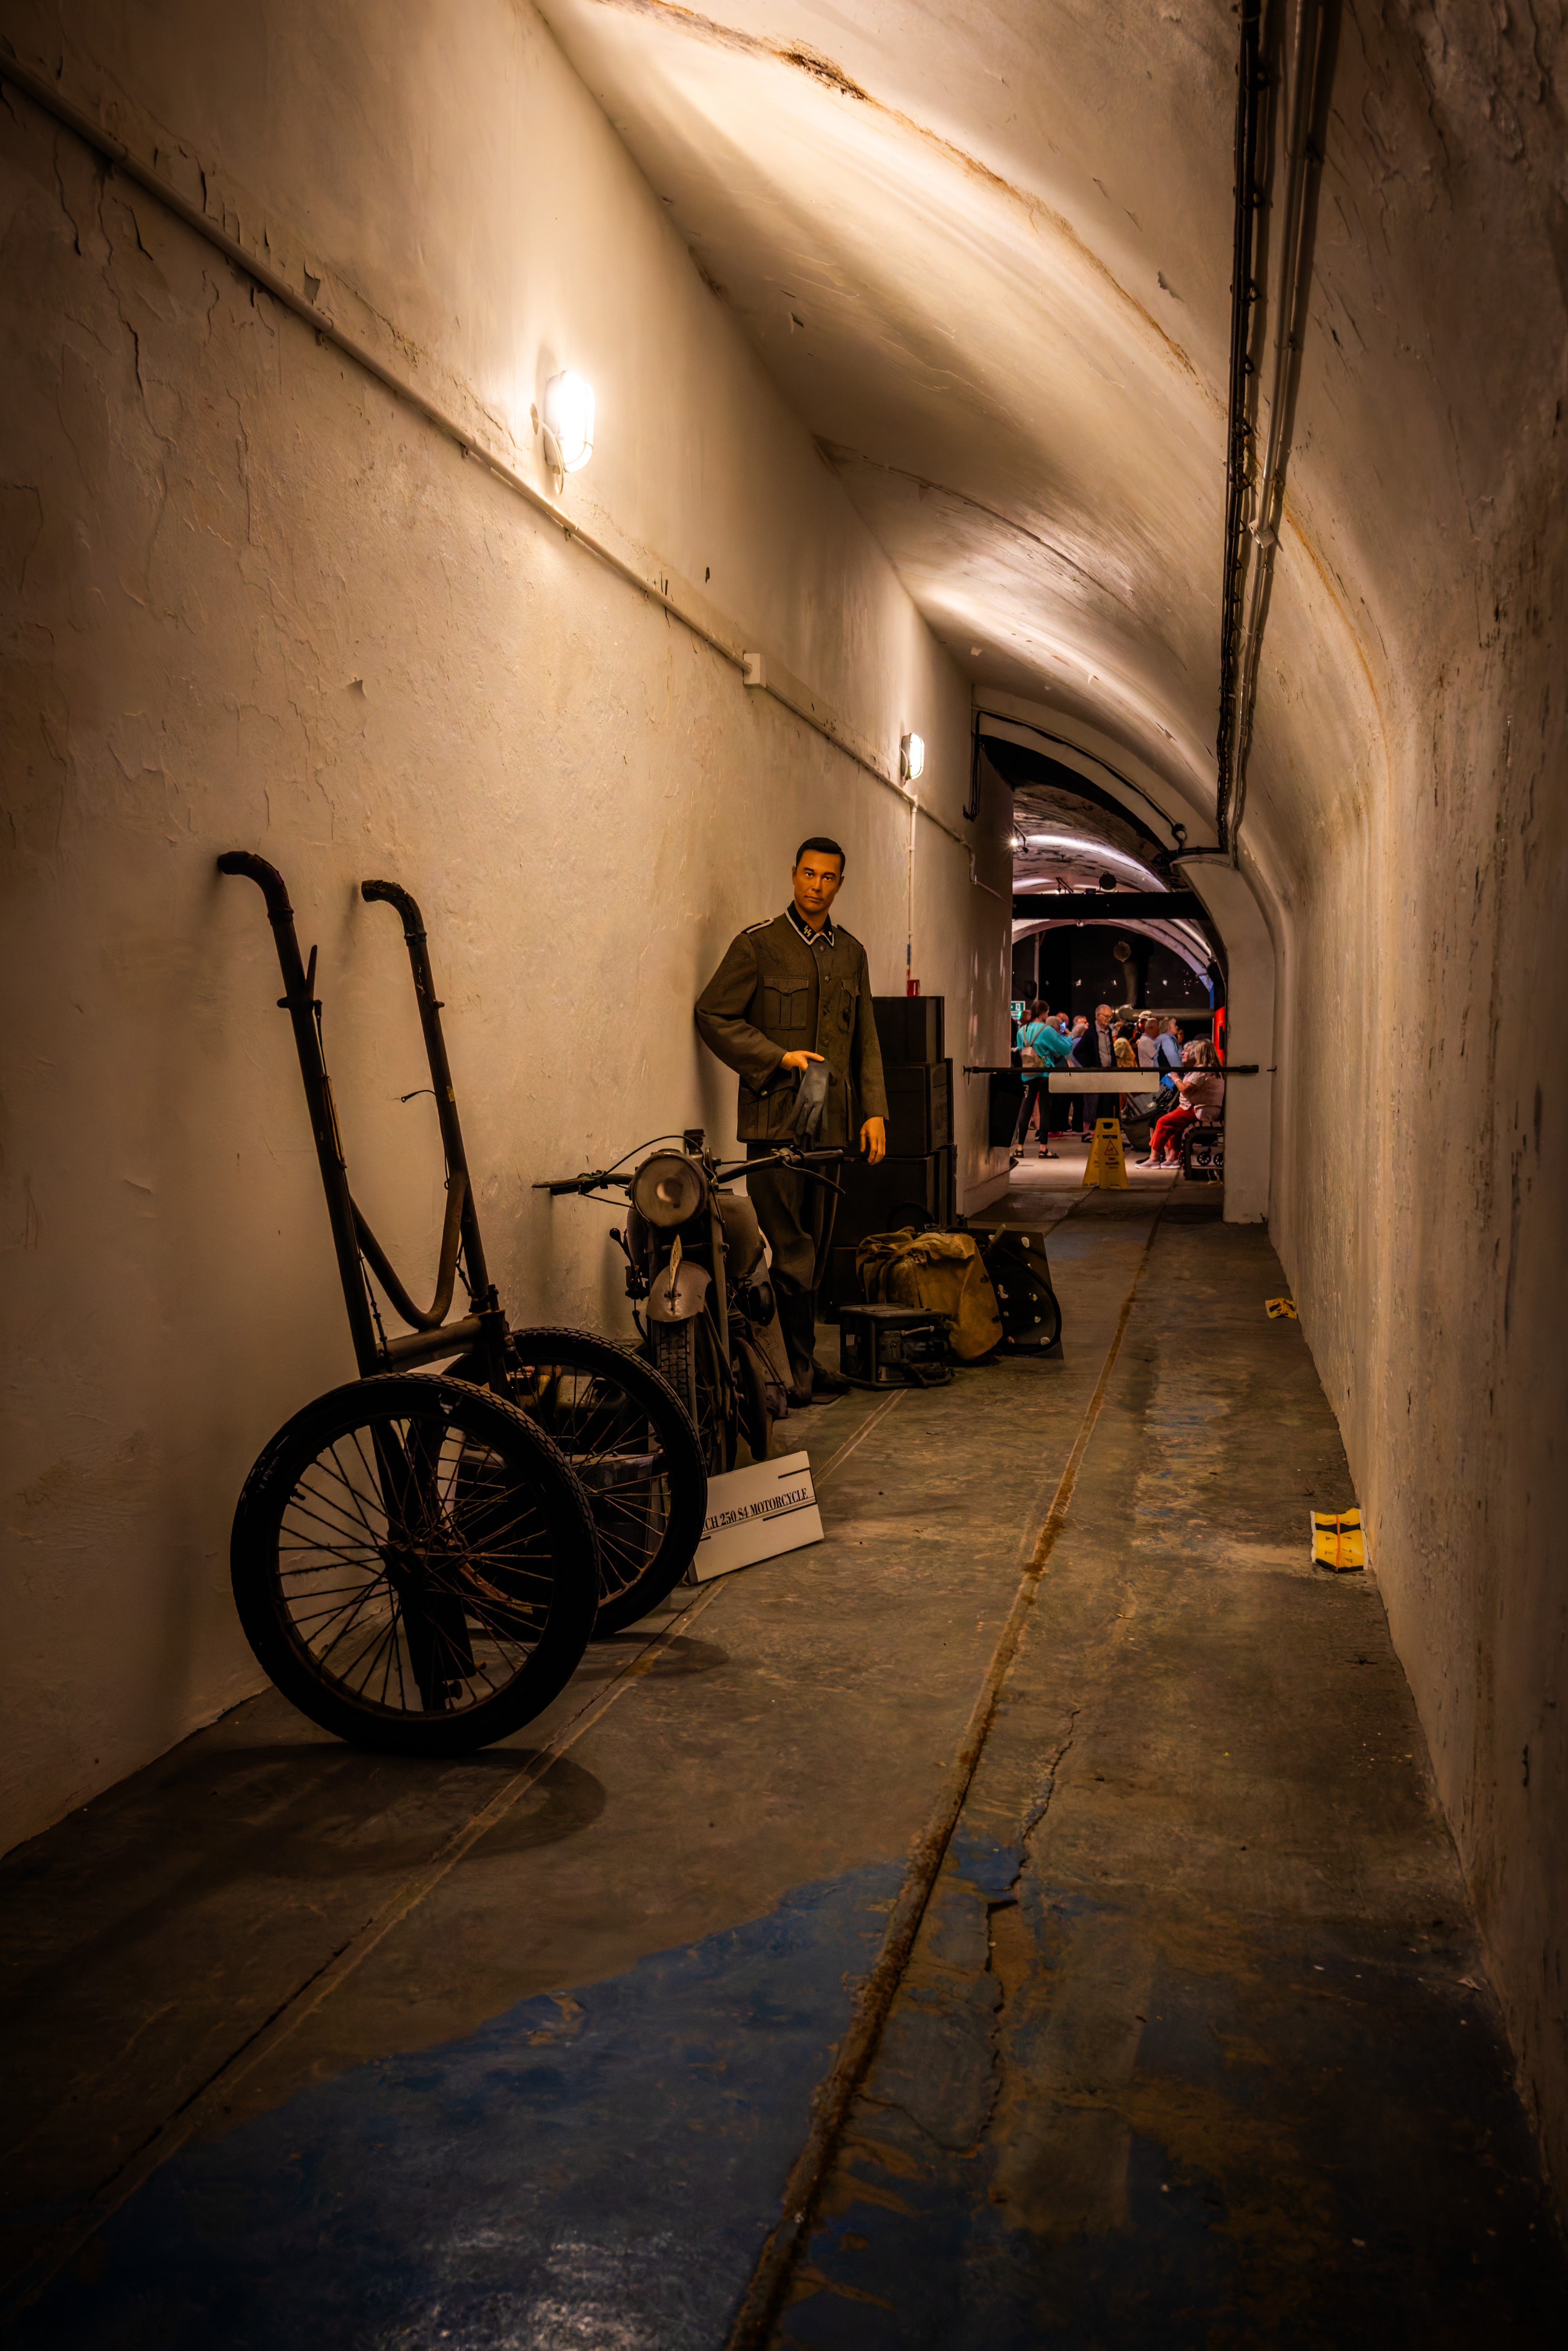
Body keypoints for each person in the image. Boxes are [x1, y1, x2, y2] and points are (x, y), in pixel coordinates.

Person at [695, 837, 886, 1405]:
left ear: (839, 885)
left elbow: (866, 1037)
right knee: (788, 1248)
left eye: (828, 877)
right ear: (793, 874)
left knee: (816, 1251)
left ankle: (801, 1362)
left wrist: (874, 1111)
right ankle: (785, 1372)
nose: (816, 886)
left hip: (830, 1126)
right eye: (808, 873)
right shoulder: (758, 945)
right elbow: (713, 1014)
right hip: (775, 1123)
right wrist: (778, 1058)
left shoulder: (851, 953)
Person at [1144, 1039, 1225, 1167]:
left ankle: (1154, 1158)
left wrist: (1176, 1079)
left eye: (1192, 1051)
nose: (1186, 1053)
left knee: (1162, 1122)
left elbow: (1186, 1090)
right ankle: (1173, 1158)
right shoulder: (1213, 1070)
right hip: (1205, 1108)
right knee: (1173, 1124)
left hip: (1198, 1109)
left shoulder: (1202, 1070)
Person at [1010, 1000, 1073, 1163]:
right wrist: (1070, 1037)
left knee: (1027, 1106)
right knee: (1045, 1108)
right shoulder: (1046, 1030)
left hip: (1028, 1073)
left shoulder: (1022, 1031)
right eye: (1048, 1012)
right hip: (1044, 1073)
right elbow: (1065, 1048)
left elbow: (1021, 1050)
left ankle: (1020, 1148)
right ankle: (1043, 1149)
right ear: (1044, 1013)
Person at [1073, 1001, 1120, 1135]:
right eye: (1106, 1016)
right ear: (1098, 1016)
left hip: (1109, 1074)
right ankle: (1089, 1131)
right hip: (1096, 1074)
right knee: (1093, 1103)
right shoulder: (1090, 1033)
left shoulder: (1109, 1031)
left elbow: (1110, 1052)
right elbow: (1078, 1052)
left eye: (1110, 1017)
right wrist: (1090, 1066)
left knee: (1107, 1103)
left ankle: (1105, 1130)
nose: (1109, 1019)